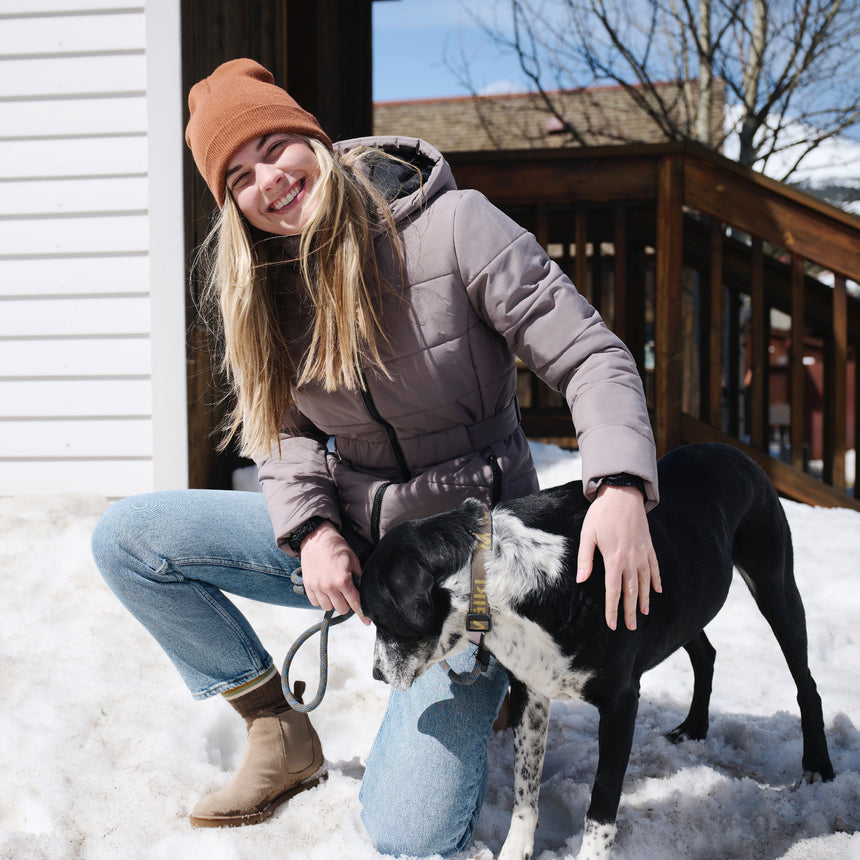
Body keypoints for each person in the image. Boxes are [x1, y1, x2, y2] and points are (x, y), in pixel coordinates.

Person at [91, 58, 660, 857]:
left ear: (316, 141)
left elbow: (592, 357)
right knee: (130, 539)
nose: (270, 180)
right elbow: (278, 431)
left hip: (466, 566)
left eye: (275, 146)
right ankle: (276, 731)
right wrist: (313, 529)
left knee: (408, 831)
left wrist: (622, 485)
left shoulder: (458, 225)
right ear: (232, 206)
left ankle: (489, 680)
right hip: (357, 539)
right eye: (240, 176)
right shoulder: (265, 283)